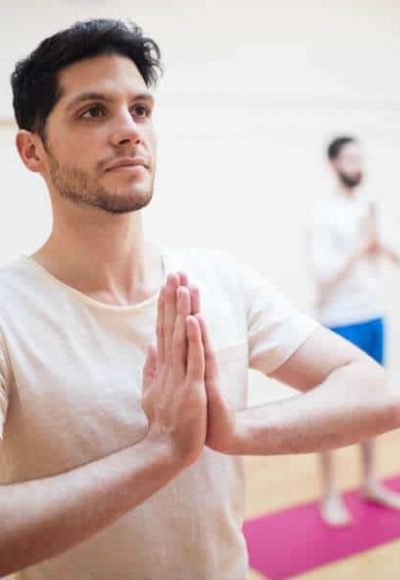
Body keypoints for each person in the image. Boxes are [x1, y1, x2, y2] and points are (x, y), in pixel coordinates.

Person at [1, 20, 399, 579]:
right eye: (93, 111)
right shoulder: (8, 313)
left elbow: (378, 393)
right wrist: (160, 451)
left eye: (140, 110)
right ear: (31, 151)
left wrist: (233, 431)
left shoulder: (219, 278)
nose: (128, 130)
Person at [306, 136, 400, 526]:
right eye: (348, 158)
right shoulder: (322, 215)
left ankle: (369, 482)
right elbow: (323, 275)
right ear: (333, 164)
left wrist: (381, 248)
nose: (356, 164)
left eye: (360, 158)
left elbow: (387, 256)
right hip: (339, 322)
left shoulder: (366, 208)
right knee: (333, 412)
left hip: (373, 316)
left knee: (371, 408)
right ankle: (329, 493)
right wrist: (359, 250)